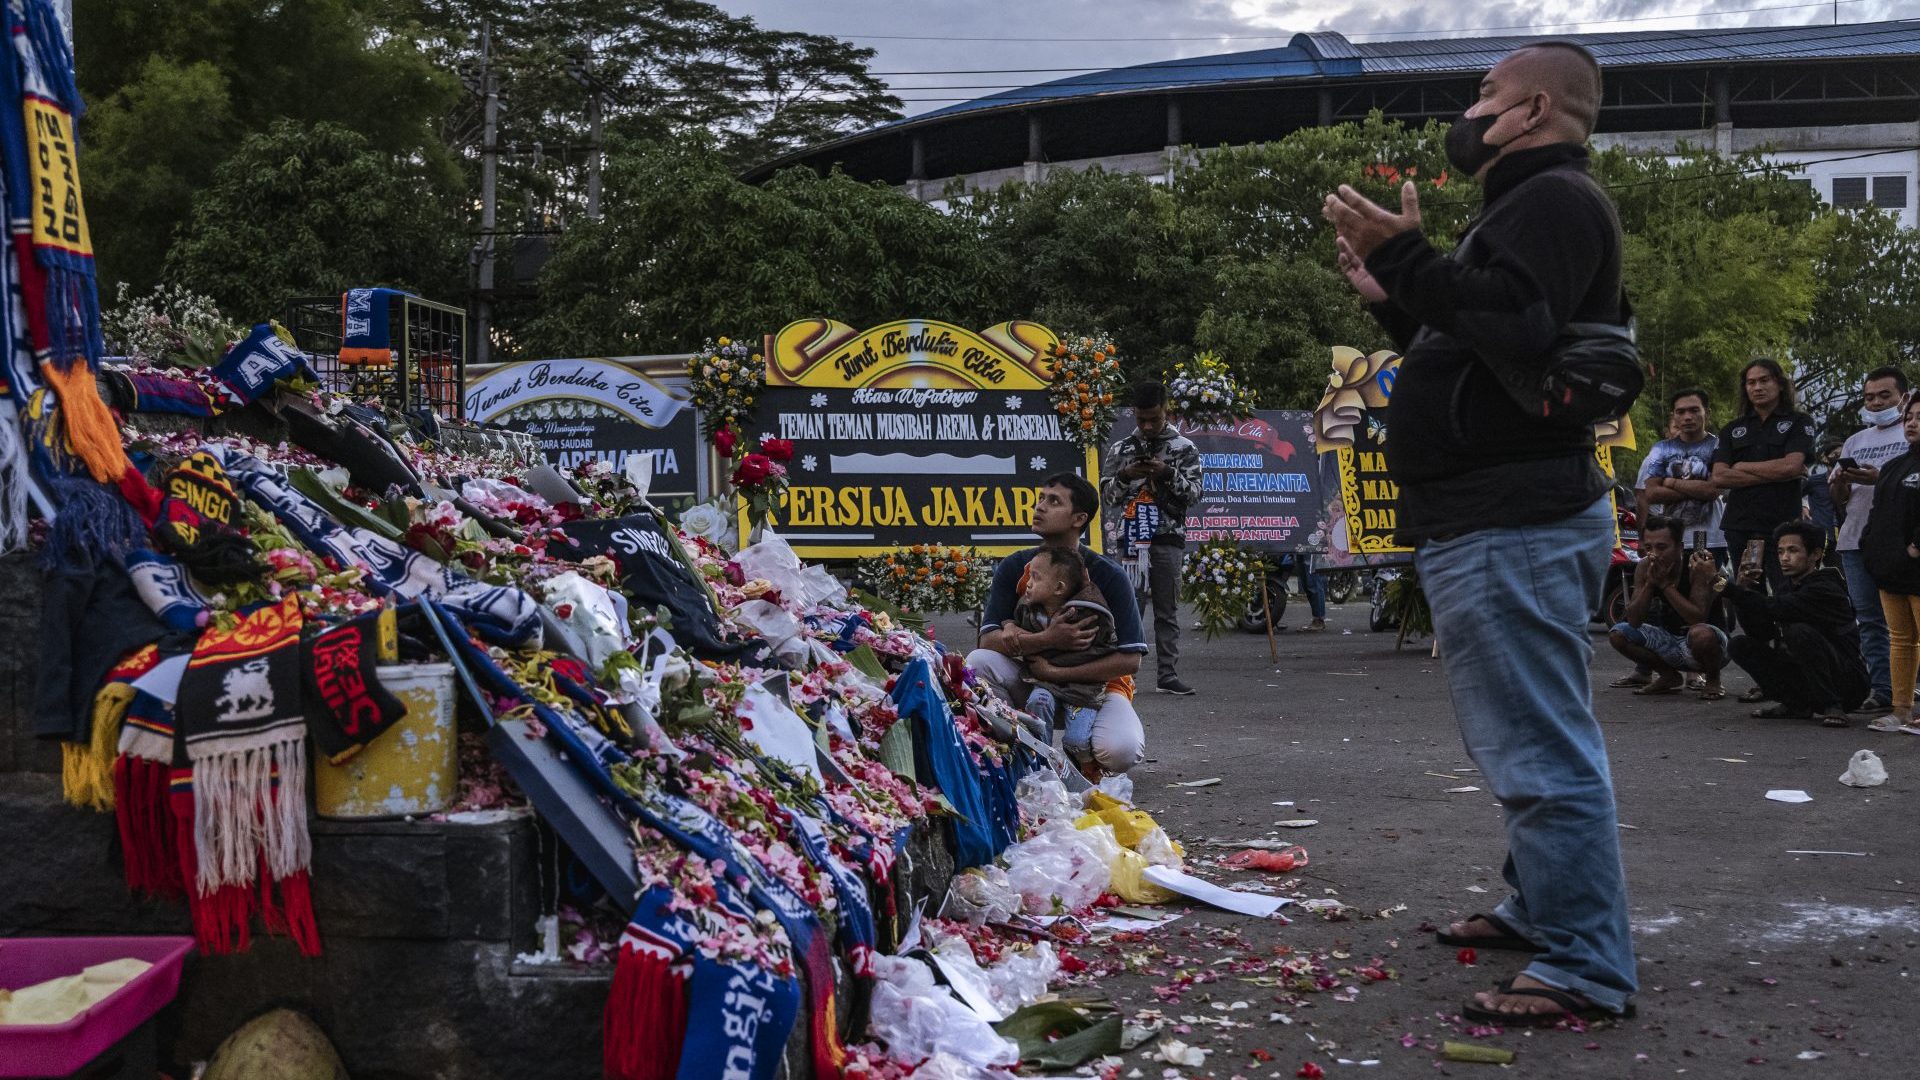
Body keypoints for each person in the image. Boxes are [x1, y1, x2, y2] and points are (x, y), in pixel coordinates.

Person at [1323, 42, 1635, 1024]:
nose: (1470, 110)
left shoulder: (1551, 200)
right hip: (1498, 515)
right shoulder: (1524, 206)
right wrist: (1399, 298)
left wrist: (1407, 258)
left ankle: (1585, 964)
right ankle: (1539, 907)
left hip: (1513, 519)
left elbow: (1517, 327)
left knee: (1540, 750)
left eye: (1484, 95)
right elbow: (1482, 352)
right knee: (1525, 737)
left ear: (1531, 109)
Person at [968, 473, 1148, 775]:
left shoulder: (1109, 575)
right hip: (1033, 683)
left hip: (1096, 691)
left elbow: (1130, 659)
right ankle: (1016, 752)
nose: (1040, 507)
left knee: (1121, 751)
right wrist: (1049, 638)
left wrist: (1057, 671)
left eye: (1054, 502)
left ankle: (1084, 758)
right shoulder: (1015, 566)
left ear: (1079, 518)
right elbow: (988, 641)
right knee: (978, 662)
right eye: (1041, 499)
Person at [1100, 382, 1204, 695]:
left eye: (1153, 419)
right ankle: (1121, 677)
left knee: (1167, 610)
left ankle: (1168, 675)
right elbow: (1106, 496)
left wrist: (1168, 474)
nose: (1146, 426)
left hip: (1167, 538)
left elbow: (1195, 494)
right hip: (1130, 541)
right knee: (1128, 608)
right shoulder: (1121, 449)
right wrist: (1125, 476)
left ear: (1166, 412)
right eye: (1141, 419)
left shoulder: (1184, 448)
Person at [1723, 521, 1867, 727]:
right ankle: (1795, 704)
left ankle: (1833, 705)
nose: (1784, 558)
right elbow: (1762, 631)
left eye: (1792, 551)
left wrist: (1726, 587)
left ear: (1815, 555)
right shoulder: (1787, 586)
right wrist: (1742, 588)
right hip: (1805, 677)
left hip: (1848, 684)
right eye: (1780, 551)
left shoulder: (1825, 588)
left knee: (1799, 632)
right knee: (1740, 645)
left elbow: (1776, 607)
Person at [1829, 365, 1910, 714]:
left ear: (1903, 398)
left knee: (1907, 621)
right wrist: (1842, 482)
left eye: (1884, 395)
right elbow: (1838, 497)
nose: (1876, 403)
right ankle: (1882, 690)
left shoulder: (1911, 434)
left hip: (1899, 542)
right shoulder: (1855, 441)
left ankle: (1910, 690)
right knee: (1869, 620)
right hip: (1854, 539)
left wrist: (1882, 477)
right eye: (1869, 397)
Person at [1010, 548, 1118, 780]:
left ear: (1059, 588)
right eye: (1029, 575)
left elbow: (1104, 651)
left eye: (1036, 577)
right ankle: (1041, 762)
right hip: (1044, 684)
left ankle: (1086, 763)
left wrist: (1056, 666)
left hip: (1082, 689)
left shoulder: (1088, 615)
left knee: (1076, 740)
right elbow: (1007, 633)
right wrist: (1012, 629)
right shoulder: (1030, 610)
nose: (1028, 583)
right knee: (1037, 703)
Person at [1713, 359, 1815, 597]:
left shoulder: (1799, 422)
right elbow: (1719, 477)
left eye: (1764, 380)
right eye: (1751, 382)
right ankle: (1758, 636)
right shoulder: (1731, 429)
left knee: (1787, 592)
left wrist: (1741, 467)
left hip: (1782, 527)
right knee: (1747, 594)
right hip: (1740, 525)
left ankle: (1786, 636)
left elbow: (1791, 467)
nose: (1757, 387)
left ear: (1779, 384)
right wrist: (1775, 472)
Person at [1606, 516, 1728, 700]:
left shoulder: (1697, 566)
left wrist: (1664, 586)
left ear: (1679, 547)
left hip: (1711, 645)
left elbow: (1696, 618)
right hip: (1672, 642)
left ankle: (1713, 680)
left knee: (1700, 633)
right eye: (1648, 548)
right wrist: (1649, 585)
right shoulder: (1645, 566)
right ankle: (1668, 676)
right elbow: (1634, 620)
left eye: (1662, 547)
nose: (1654, 554)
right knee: (1618, 634)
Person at [1857, 392, 1920, 735]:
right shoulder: (1896, 465)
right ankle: (1902, 710)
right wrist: (1870, 547)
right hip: (1890, 569)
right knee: (1900, 639)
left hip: (1914, 567)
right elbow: (1877, 513)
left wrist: (1915, 547)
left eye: (1919, 417)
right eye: (1909, 416)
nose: (1912, 422)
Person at [1634, 389, 1724, 569]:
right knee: (1667, 588)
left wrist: (1671, 482)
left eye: (1694, 410)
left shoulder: (1719, 446)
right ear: (1673, 416)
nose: (1687, 417)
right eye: (1681, 412)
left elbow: (1712, 491)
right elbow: (1651, 493)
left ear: (1707, 412)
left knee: (1702, 587)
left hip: (1703, 535)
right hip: (1668, 539)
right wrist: (1697, 488)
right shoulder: (1661, 449)